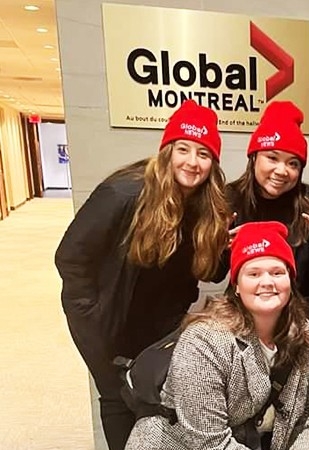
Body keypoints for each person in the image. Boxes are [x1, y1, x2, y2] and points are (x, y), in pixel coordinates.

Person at [55, 99, 230, 450]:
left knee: (151, 399)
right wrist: (91, 318)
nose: (192, 162)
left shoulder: (205, 205)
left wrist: (222, 243)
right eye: (184, 149)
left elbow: (210, 272)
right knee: (117, 399)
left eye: (203, 153)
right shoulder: (123, 193)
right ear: (167, 150)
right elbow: (70, 258)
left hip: (161, 323)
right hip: (106, 322)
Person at [125, 221, 309, 449]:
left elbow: (305, 414)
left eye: (277, 272)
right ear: (236, 285)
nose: (267, 282)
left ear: (290, 280)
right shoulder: (204, 340)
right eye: (254, 273)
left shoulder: (304, 334)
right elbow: (209, 442)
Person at [223, 100, 309, 449]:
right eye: (272, 158)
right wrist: (218, 245)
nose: (282, 170)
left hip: (304, 325)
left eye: (293, 163)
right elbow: (212, 271)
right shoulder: (228, 199)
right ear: (254, 157)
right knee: (246, 416)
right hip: (243, 326)